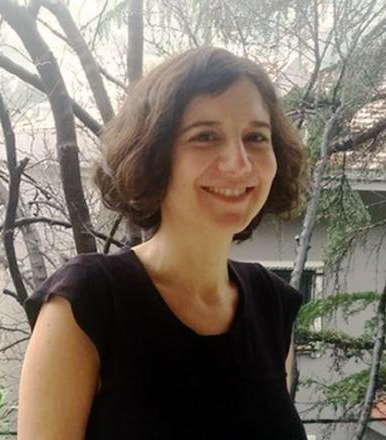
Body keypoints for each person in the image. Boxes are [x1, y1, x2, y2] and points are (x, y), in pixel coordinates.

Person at [17, 46, 308, 439]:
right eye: (205, 136)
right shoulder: (89, 302)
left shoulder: (271, 305)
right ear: (154, 155)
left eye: (256, 137)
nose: (239, 162)